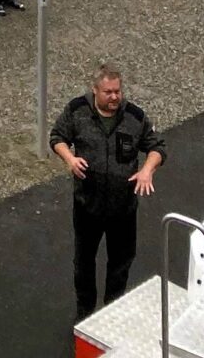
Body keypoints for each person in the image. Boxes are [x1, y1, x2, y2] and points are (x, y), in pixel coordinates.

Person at [49, 63, 167, 318]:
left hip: (122, 208)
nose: (114, 97)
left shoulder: (135, 117)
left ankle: (113, 311)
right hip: (87, 205)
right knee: (83, 262)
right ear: (95, 90)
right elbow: (57, 137)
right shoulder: (77, 111)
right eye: (108, 92)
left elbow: (157, 147)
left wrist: (148, 170)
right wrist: (70, 159)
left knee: (120, 264)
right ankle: (85, 313)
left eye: (117, 91)